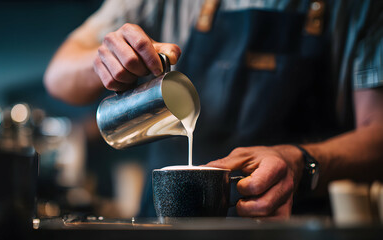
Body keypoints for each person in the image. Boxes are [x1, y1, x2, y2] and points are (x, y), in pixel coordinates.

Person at [44, 0, 383, 219]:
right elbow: (57, 75)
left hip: (294, 225)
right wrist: (103, 61)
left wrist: (300, 161)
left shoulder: (360, 7)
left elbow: (377, 134)